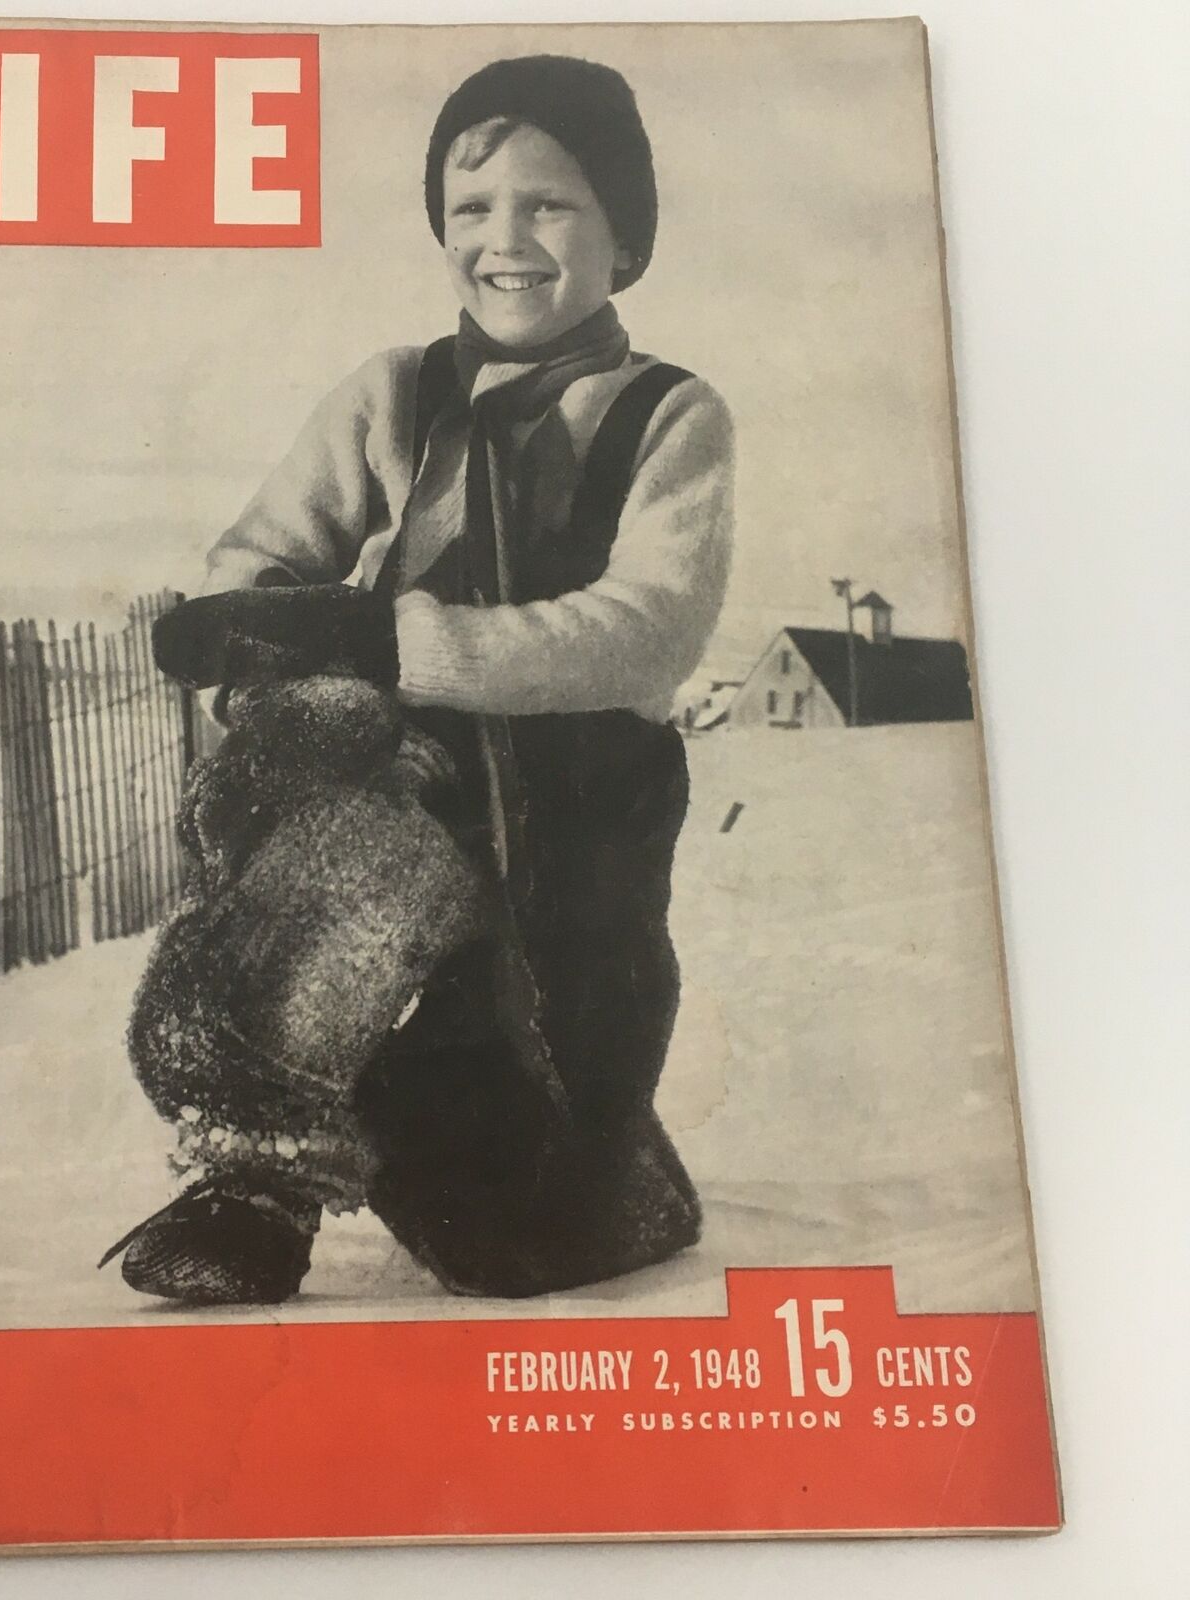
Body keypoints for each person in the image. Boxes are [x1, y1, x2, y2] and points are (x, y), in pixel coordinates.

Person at [106, 55, 735, 1304]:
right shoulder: (393, 393)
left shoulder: (666, 416)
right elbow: (259, 562)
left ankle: (593, 1152)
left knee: (510, 1240)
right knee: (338, 841)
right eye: (470, 208)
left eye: (549, 204)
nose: (504, 240)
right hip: (399, 774)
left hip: (576, 800)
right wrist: (281, 665)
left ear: (625, 229)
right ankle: (257, 1176)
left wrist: (393, 641)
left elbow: (643, 629)